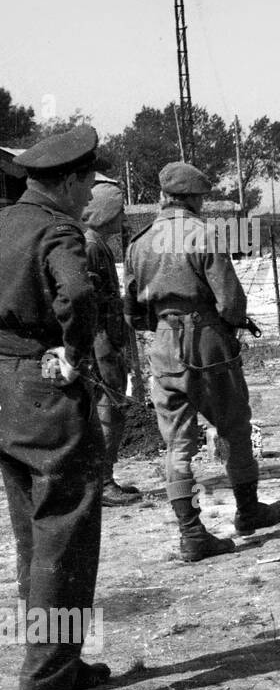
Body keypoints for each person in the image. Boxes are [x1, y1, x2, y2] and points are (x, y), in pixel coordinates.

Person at [124, 162, 280, 561]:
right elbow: (231, 302)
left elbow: (131, 310)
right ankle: (248, 511)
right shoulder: (203, 234)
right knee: (233, 425)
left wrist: (164, 324)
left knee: (177, 445)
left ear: (163, 197)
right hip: (206, 341)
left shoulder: (139, 242)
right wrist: (227, 326)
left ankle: (191, 533)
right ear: (196, 199)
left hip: (163, 345)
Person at [0, 124, 108, 690]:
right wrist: (74, 348)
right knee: (64, 532)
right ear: (66, 179)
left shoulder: (3, 222)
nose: (90, 190)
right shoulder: (56, 229)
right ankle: (46, 685)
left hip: (3, 391)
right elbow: (76, 294)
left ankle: (57, 658)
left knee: (33, 536)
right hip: (44, 390)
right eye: (87, 179)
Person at [81, 181, 143, 507]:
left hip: (105, 337)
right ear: (106, 213)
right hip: (101, 340)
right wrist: (104, 348)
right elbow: (89, 301)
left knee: (110, 408)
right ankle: (103, 484)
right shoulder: (92, 246)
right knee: (111, 410)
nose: (123, 218)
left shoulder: (97, 243)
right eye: (119, 211)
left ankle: (103, 480)